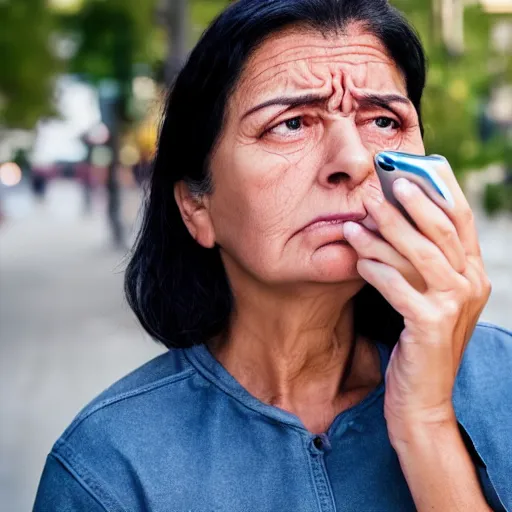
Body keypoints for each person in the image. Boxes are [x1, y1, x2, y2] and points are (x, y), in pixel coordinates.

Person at [34, 0, 512, 510]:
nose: (352, 160)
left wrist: (430, 425)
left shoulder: (500, 380)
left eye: (382, 120)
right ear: (198, 204)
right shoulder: (108, 468)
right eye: (290, 124)